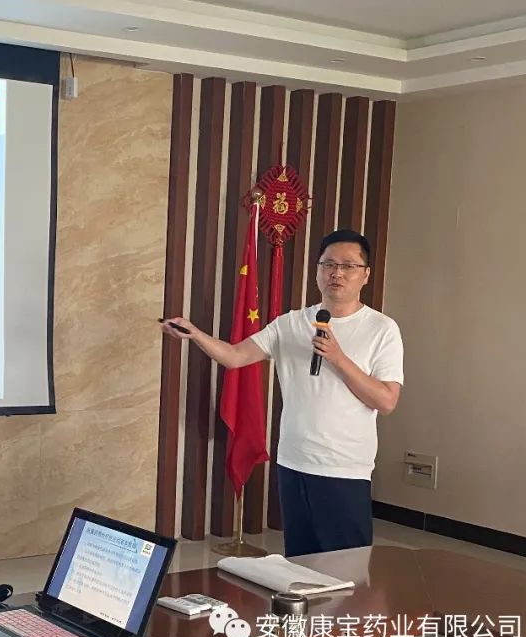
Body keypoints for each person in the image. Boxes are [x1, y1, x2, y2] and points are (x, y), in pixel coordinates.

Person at [163, 229, 404, 556]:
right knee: (300, 564)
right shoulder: (290, 323)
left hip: (344, 468)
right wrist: (194, 334)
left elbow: (386, 401)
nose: (336, 273)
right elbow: (235, 356)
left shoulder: (381, 329)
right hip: (293, 462)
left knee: (346, 569)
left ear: (366, 275)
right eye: (328, 264)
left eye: (348, 266)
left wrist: (338, 358)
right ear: (317, 271)